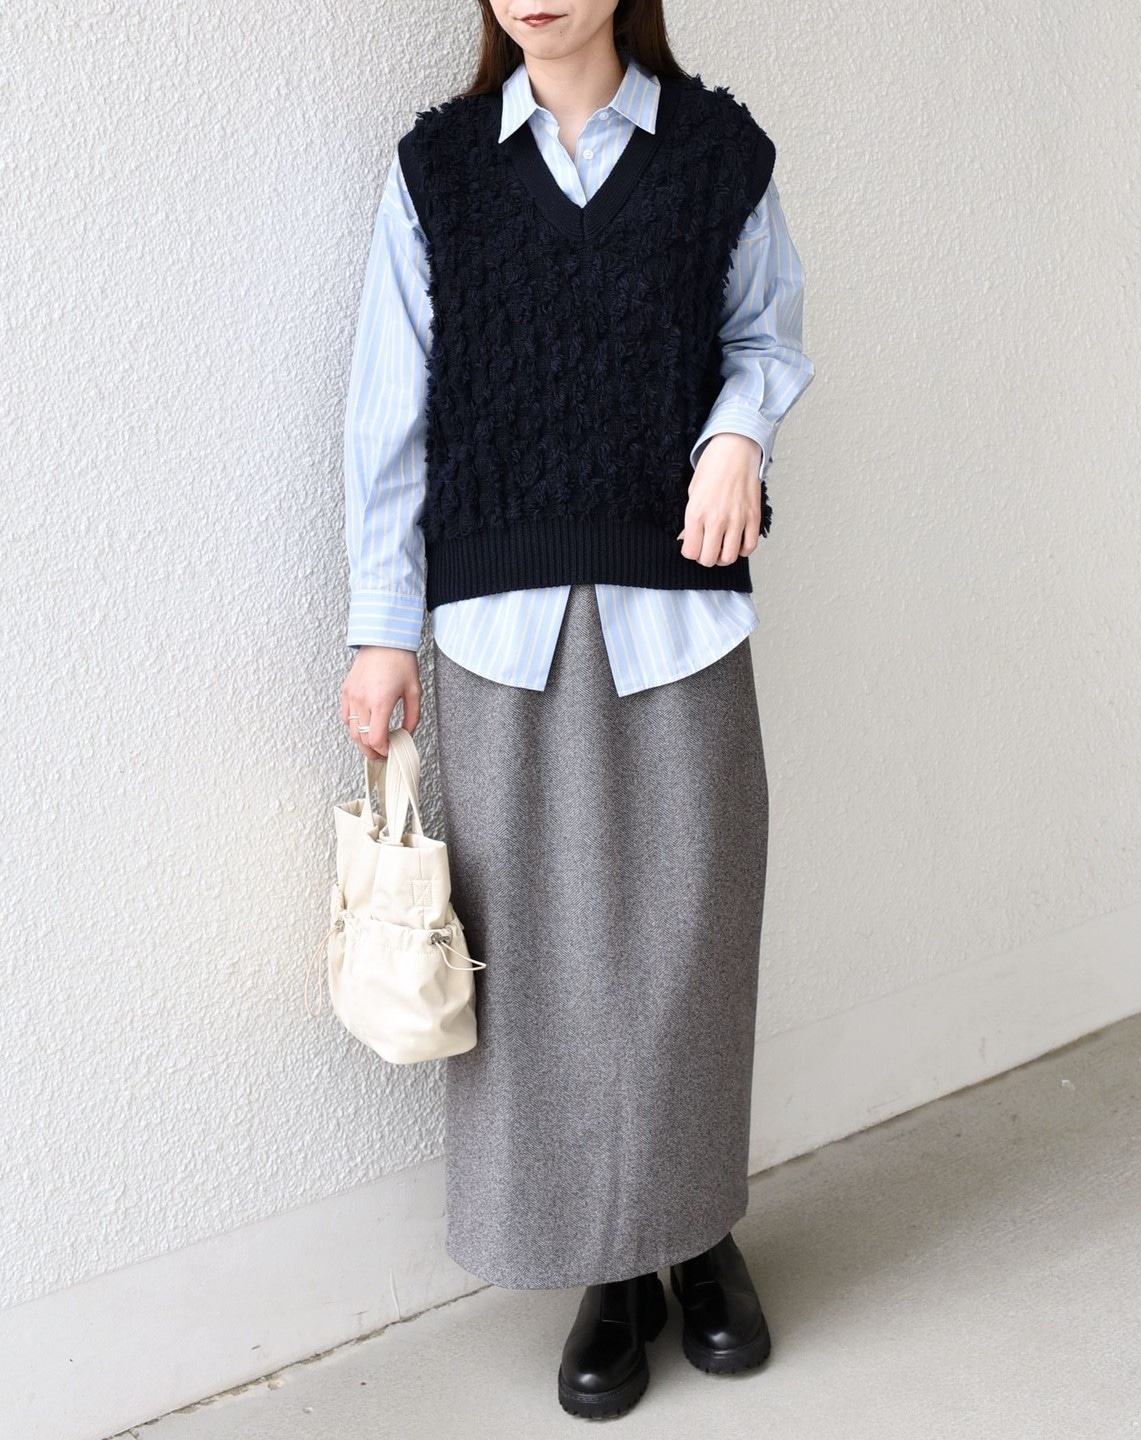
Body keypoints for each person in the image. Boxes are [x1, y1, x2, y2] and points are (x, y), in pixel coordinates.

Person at [340, 0, 813, 1420]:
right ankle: (607, 1272)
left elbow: (765, 334)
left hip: (681, 620)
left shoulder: (716, 154)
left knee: (689, 947)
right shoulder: (438, 173)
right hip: (497, 635)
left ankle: (699, 1238)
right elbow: (387, 412)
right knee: (543, 973)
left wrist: (738, 434)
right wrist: (380, 631)